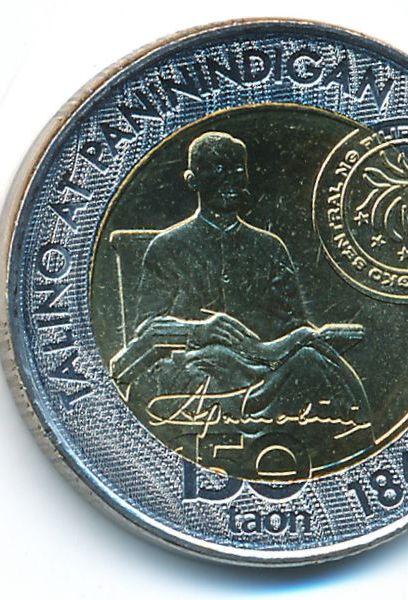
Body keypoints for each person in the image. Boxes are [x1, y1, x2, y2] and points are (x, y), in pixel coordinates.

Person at [119, 131, 374, 476]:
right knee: (212, 365)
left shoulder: (269, 247)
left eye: (238, 170)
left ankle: (346, 456)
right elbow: (146, 330)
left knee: (312, 361)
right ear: (192, 180)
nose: (231, 179)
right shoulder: (168, 247)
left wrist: (311, 337)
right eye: (218, 169)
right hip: (197, 369)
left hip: (265, 368)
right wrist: (200, 331)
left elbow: (292, 323)